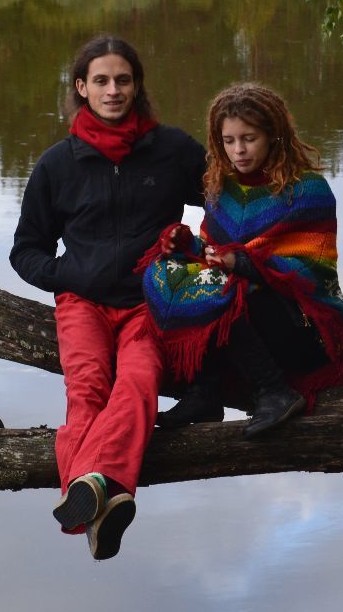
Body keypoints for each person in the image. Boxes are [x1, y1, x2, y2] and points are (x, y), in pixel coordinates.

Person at [10, 35, 206, 561]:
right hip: (83, 305)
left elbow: (229, 199)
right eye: (101, 80)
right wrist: (68, 274)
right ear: (81, 88)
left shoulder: (173, 151)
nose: (113, 90)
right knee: (88, 389)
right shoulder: (57, 165)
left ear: (137, 86)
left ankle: (88, 489)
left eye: (123, 80)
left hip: (149, 303)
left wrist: (202, 256)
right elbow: (25, 250)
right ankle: (105, 498)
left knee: (139, 381)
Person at [141, 82, 343, 437]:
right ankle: (204, 390)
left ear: (273, 135)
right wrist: (184, 247)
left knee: (231, 291)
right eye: (229, 141)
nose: (239, 150)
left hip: (300, 330)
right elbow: (211, 254)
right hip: (246, 321)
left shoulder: (307, 190)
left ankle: (275, 393)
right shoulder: (222, 188)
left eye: (249, 138)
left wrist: (241, 265)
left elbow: (307, 275)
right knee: (164, 273)